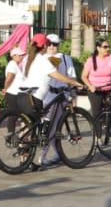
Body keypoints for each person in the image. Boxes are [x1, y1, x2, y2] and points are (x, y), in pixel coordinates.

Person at [30, 34, 87, 166]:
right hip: (45, 95)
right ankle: (51, 154)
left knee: (53, 127)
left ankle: (44, 156)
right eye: (49, 44)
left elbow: (71, 76)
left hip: (60, 96)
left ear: (58, 45)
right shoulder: (43, 58)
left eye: (54, 44)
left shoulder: (66, 58)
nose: (51, 47)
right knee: (48, 127)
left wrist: (73, 94)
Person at [82, 38, 111, 121]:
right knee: (96, 113)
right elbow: (84, 76)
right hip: (95, 89)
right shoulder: (91, 60)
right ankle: (97, 133)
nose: (108, 49)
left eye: (108, 47)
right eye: (105, 47)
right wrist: (90, 86)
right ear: (98, 48)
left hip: (109, 88)